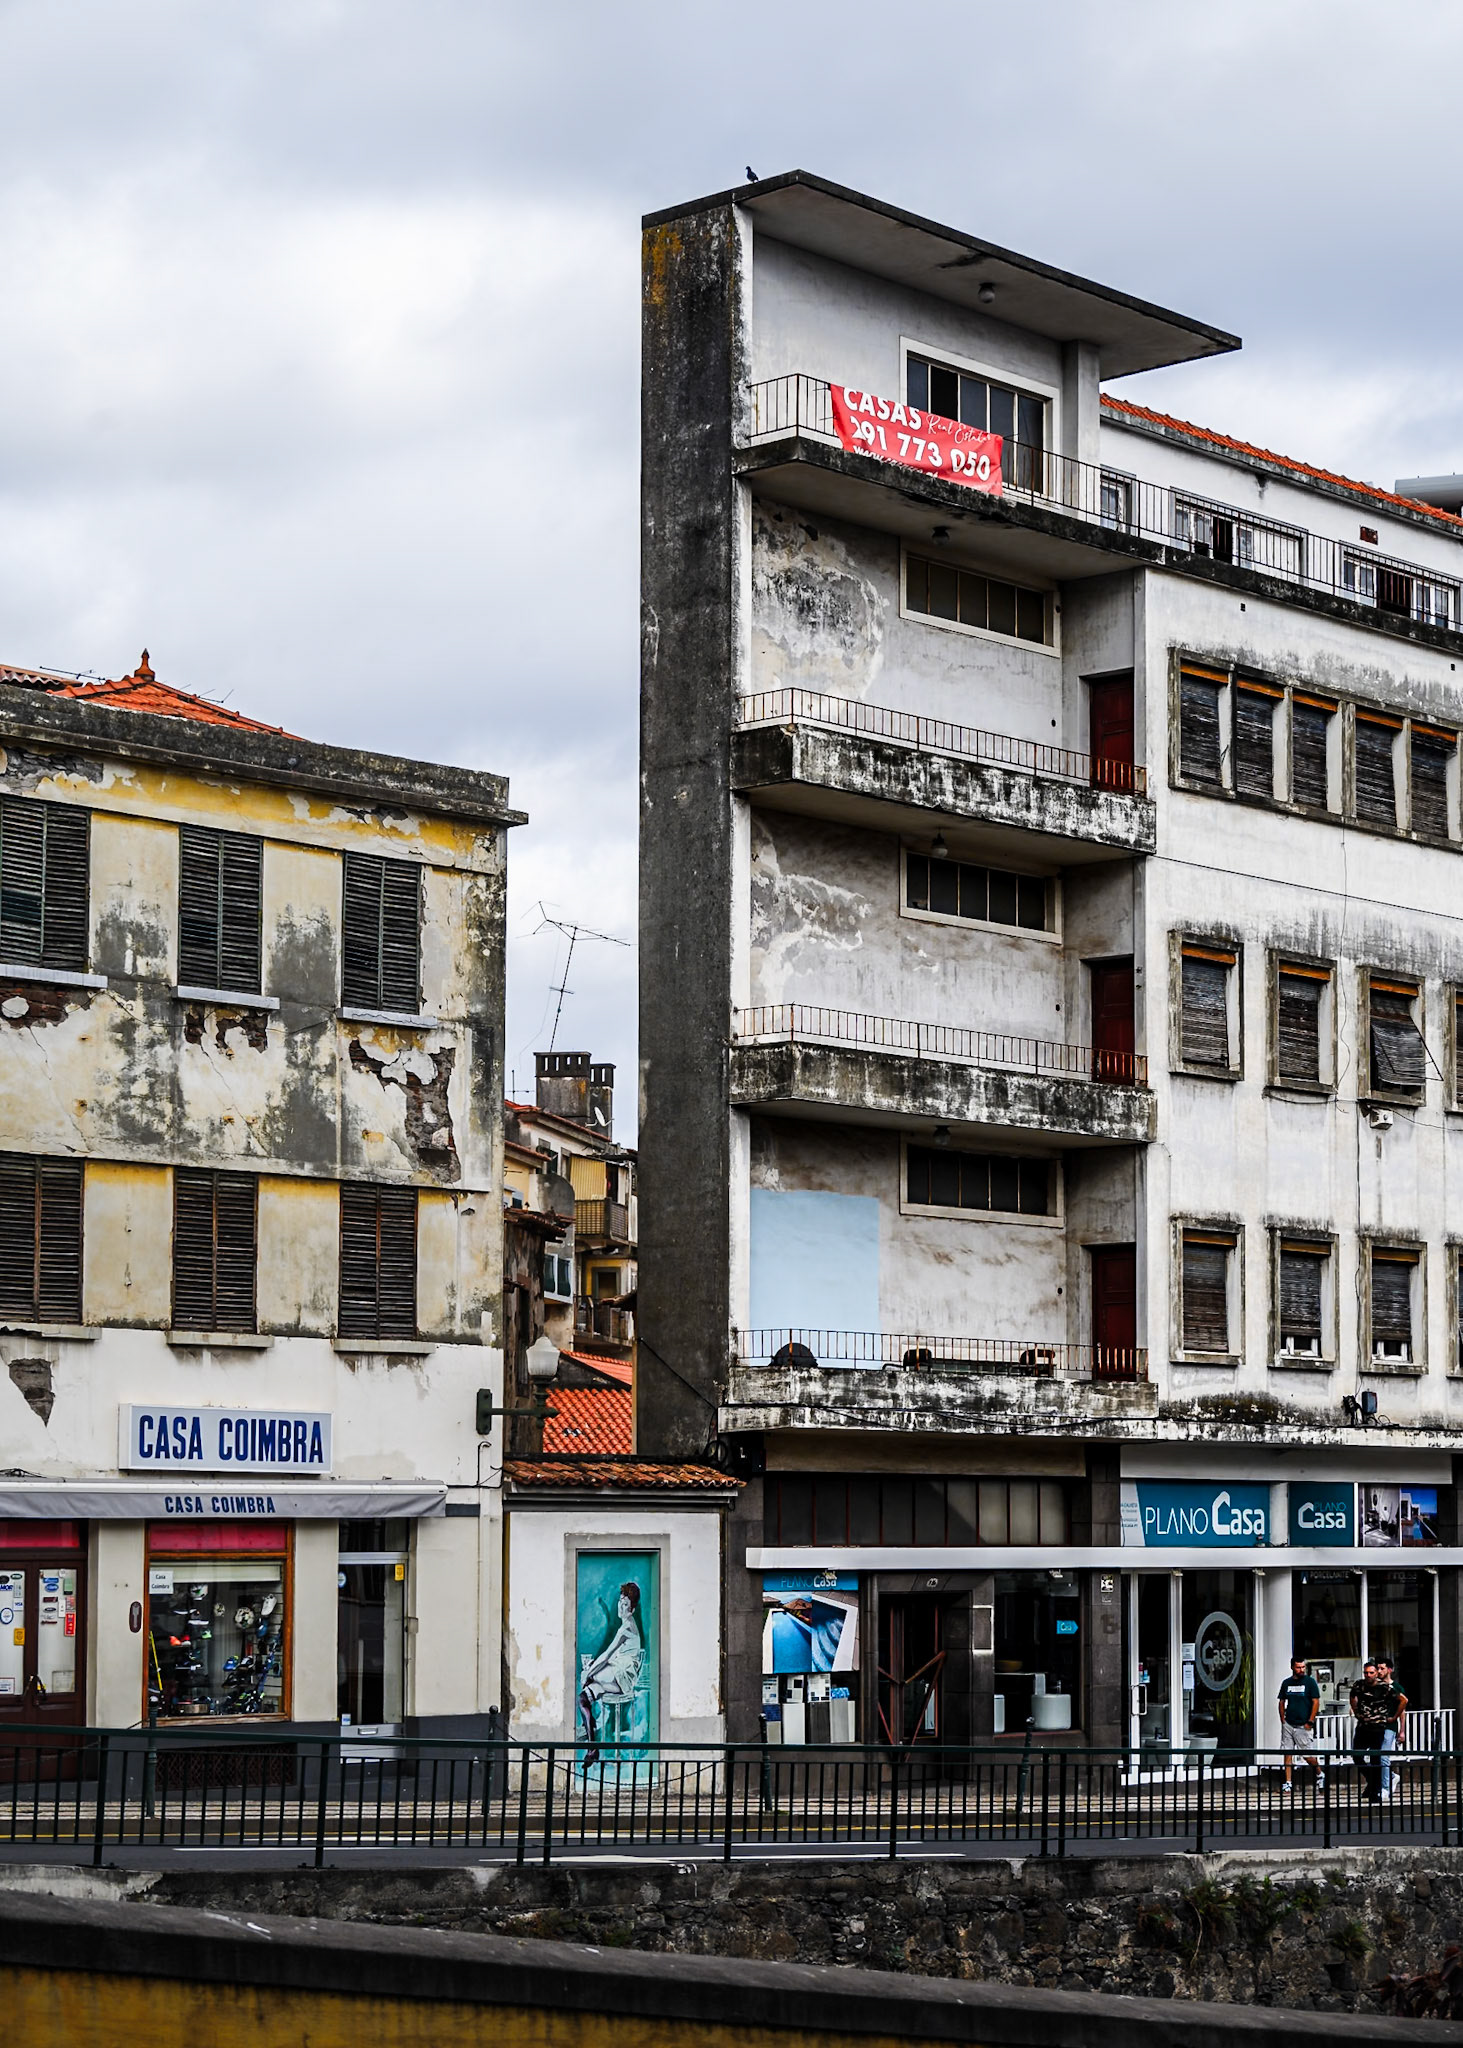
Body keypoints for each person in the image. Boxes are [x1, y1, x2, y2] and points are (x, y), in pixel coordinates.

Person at [577, 1582, 645, 1766]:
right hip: (616, 1677)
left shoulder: (626, 1628)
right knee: (583, 1698)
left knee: (591, 1677)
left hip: (622, 1679)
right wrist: (591, 1670)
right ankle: (592, 1748)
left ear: (632, 1609)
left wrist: (588, 1672)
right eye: (620, 1602)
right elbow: (611, 1657)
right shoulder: (625, 1626)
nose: (621, 1607)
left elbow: (607, 1655)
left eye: (625, 1604)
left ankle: (589, 1729)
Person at [1350, 1660, 1401, 1802]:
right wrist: (1356, 1711)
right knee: (1357, 1755)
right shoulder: (1359, 1685)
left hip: (1377, 1727)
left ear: (1376, 1673)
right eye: (1366, 1673)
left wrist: (1393, 1717)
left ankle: (1376, 1789)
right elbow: (1352, 1696)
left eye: (1371, 1673)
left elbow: (1402, 1700)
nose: (1368, 1675)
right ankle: (1372, 1781)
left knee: (1375, 1758)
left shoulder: (1384, 1687)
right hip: (1363, 1726)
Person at [1276, 1655, 1324, 1793]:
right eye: (1298, 1667)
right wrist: (1282, 1719)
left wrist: (1310, 1721)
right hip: (1289, 1723)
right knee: (1288, 1753)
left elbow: (1316, 1702)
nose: (1301, 1670)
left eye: (1303, 1667)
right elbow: (1281, 1701)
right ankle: (1288, 1782)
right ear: (1292, 1667)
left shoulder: (1310, 1682)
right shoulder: (1286, 1683)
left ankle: (1319, 1773)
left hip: (1303, 1724)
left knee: (1307, 1755)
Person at [1373, 1654, 1409, 1801]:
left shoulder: (1396, 1688)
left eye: (1382, 1668)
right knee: (1375, 1756)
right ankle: (1391, 1777)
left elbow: (1402, 1710)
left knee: (1384, 1756)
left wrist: (1402, 1731)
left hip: (1390, 1725)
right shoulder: (1376, 1686)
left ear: (1389, 1670)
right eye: (1378, 1668)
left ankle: (1385, 1788)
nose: (1379, 1671)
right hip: (1376, 1726)